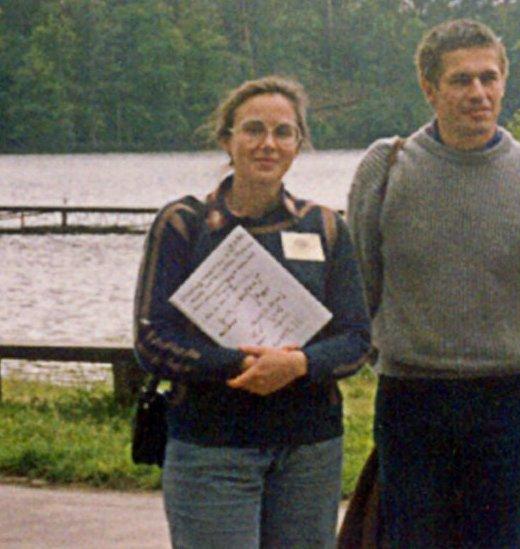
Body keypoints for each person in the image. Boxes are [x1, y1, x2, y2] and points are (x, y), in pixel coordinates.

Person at [346, 18, 520, 548]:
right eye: (460, 80)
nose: (478, 93)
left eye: (489, 77)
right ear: (430, 89)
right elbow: (362, 281)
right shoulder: (387, 168)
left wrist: (511, 346)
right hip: (410, 397)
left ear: (503, 82)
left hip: (504, 401)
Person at [134, 76, 370, 548]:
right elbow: (151, 340)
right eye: (253, 130)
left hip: (309, 449)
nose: (268, 144)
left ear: (298, 144)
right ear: (227, 139)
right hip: (210, 448)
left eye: (283, 132)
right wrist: (240, 365)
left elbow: (357, 341)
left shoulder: (326, 228)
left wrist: (298, 365)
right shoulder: (183, 225)